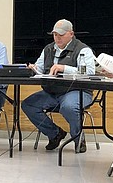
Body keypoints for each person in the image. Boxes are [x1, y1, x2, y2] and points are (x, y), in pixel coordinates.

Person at [21, 19, 95, 153]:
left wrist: (64, 68)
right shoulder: (48, 49)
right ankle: (55, 134)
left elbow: (89, 72)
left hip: (77, 91)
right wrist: (33, 68)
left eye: (61, 35)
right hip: (52, 92)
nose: (57, 38)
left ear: (71, 34)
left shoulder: (83, 49)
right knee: (28, 105)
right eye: (55, 35)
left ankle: (78, 138)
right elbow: (40, 67)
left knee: (69, 107)